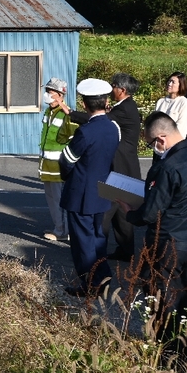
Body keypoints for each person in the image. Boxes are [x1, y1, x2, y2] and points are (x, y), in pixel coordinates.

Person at [119, 112, 187, 365]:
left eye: (150, 143)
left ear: (161, 139)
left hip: (167, 243)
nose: (152, 148)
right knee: (186, 300)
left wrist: (131, 214)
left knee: (162, 301)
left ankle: (167, 357)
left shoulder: (166, 167)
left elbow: (152, 213)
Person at [71, 72, 142, 261]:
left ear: (122, 90)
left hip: (119, 166)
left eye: (114, 86)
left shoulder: (123, 109)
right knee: (121, 211)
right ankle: (126, 250)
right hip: (125, 165)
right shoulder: (126, 106)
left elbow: (95, 119)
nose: (111, 89)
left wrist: (70, 113)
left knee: (105, 210)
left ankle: (96, 248)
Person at [58, 78, 120, 297]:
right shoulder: (113, 128)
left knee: (83, 242)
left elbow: (66, 160)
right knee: (98, 238)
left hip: (80, 193)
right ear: (105, 102)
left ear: (84, 104)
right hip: (102, 190)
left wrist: (69, 178)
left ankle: (90, 284)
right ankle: (103, 278)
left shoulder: (85, 132)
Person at [38, 77, 77, 242]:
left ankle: (62, 231)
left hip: (58, 166)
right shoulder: (49, 111)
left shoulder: (67, 113)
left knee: (59, 199)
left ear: (60, 95)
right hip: (46, 165)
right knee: (52, 199)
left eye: (50, 92)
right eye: (46, 91)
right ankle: (58, 227)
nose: (47, 95)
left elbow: (71, 136)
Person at [154, 71, 187, 137]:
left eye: (173, 82)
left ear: (180, 85)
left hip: (174, 141)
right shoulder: (161, 102)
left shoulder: (183, 102)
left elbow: (181, 126)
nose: (169, 84)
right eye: (169, 81)